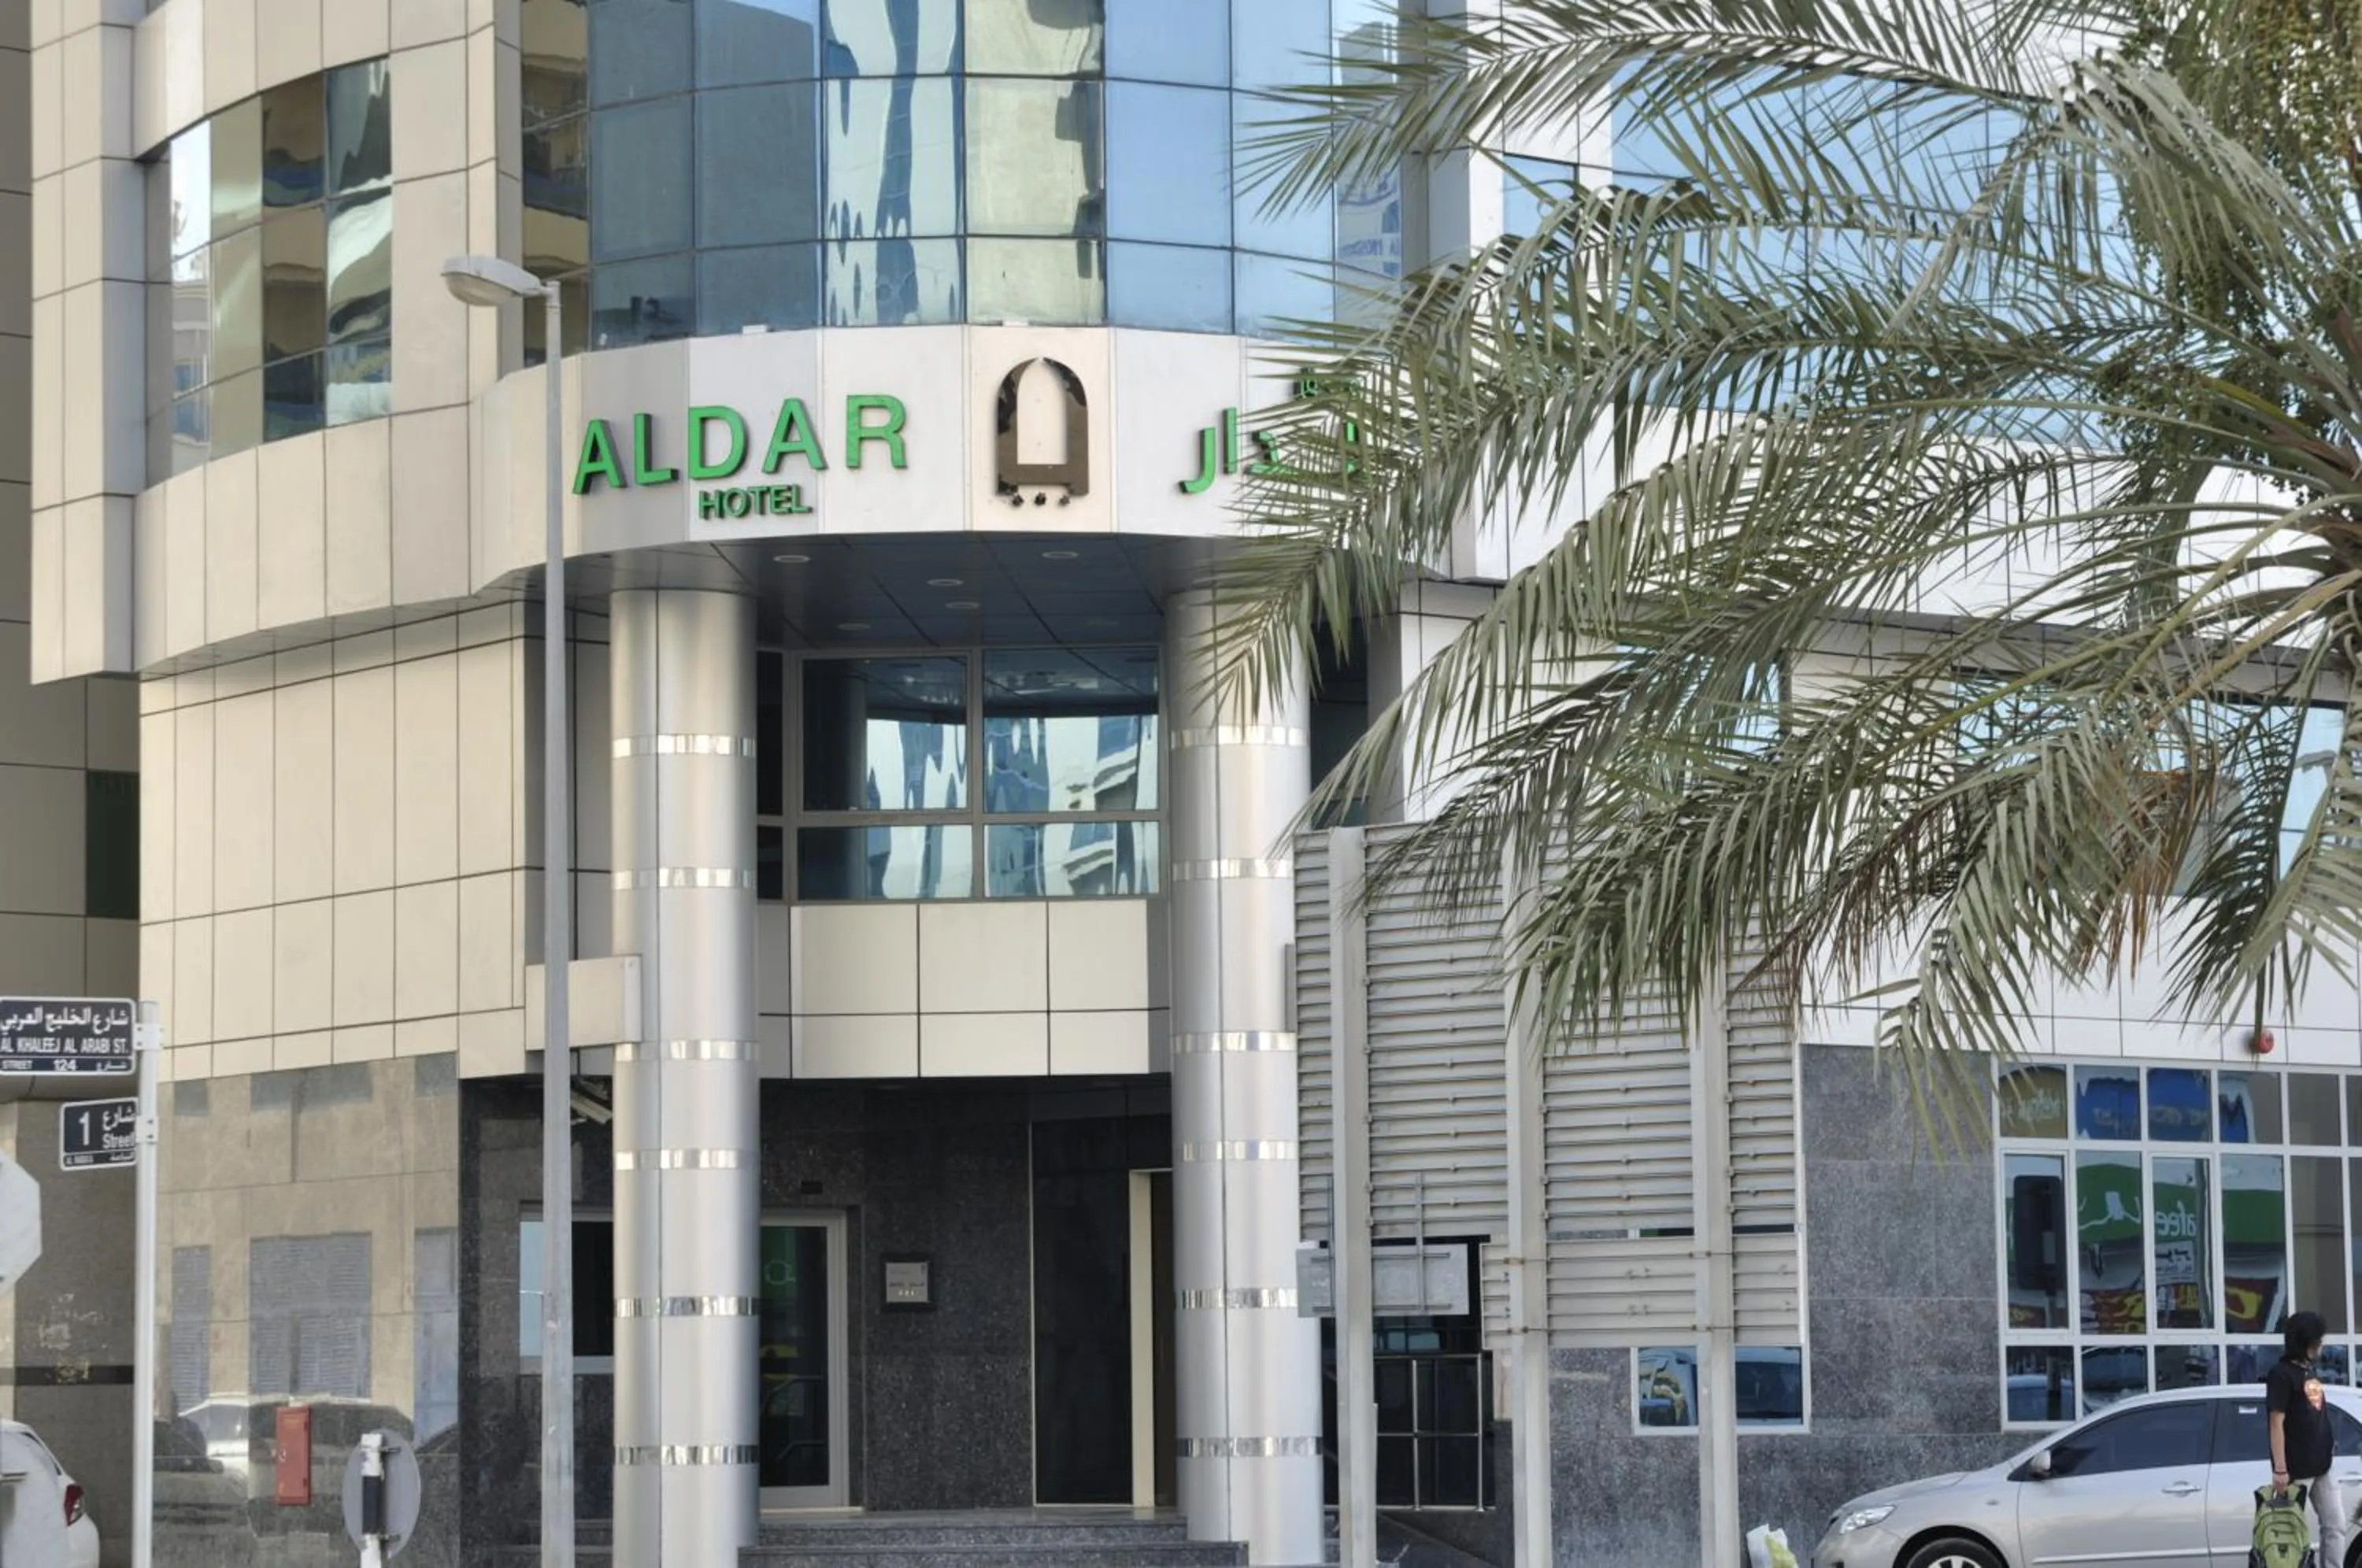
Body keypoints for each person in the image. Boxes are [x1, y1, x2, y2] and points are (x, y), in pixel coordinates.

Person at [2268, 1310, 2345, 1566]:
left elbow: (2314, 1413)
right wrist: (2280, 1470)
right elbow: (2276, 1423)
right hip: (2296, 1470)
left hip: (2323, 1465)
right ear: (2305, 1342)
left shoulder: (2309, 1370)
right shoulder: (2281, 1374)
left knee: (2336, 1526)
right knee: (2288, 1535)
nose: (2321, 1344)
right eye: (2317, 1340)